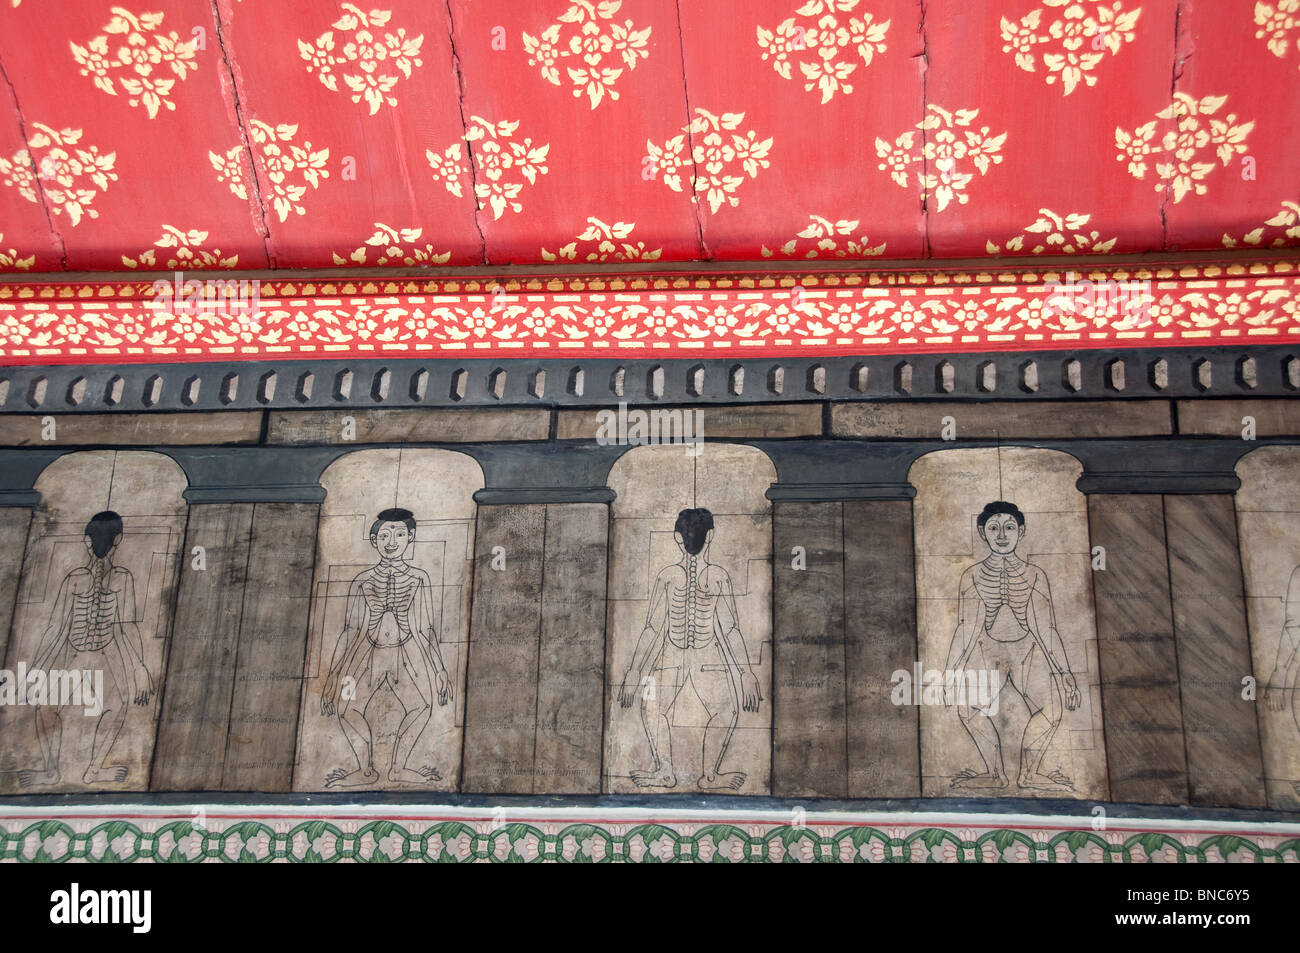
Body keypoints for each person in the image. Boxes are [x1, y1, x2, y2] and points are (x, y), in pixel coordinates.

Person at [619, 508, 760, 790]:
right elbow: (652, 626)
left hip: (708, 655)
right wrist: (634, 672)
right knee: (652, 707)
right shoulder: (669, 576)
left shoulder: (716, 576)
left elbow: (729, 629)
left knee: (727, 710)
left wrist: (746, 673)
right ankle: (665, 771)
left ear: (676, 538)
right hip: (671, 654)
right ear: (711, 537)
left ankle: (710, 775)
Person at [945, 501, 1081, 792]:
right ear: (983, 533)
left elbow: (1047, 628)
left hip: (1027, 651)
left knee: (1053, 711)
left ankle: (1029, 774)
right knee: (968, 710)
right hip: (987, 649)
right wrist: (951, 672)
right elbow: (965, 628)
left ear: (1021, 531)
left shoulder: (1035, 575)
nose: (1002, 535)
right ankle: (995, 774)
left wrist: (1065, 673)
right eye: (994, 528)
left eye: (1009, 527)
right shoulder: (972, 575)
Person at [19, 511, 152, 787]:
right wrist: (36, 671)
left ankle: (93, 771)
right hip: (76, 655)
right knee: (45, 706)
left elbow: (125, 628)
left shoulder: (121, 578)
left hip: (106, 656)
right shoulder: (76, 579)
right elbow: (56, 629)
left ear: (86, 541)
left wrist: (140, 668)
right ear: (119, 540)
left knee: (117, 707)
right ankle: (52, 771)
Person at [321, 508, 451, 787]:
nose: (392, 541)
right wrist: (333, 675)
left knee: (423, 707)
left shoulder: (418, 578)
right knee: (345, 710)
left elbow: (425, 628)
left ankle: (398, 768)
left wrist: (439, 670)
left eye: (400, 534)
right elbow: (350, 630)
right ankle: (365, 769)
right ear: (374, 539)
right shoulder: (363, 581)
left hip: (406, 654)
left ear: (410, 537)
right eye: (384, 534)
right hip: (368, 654)